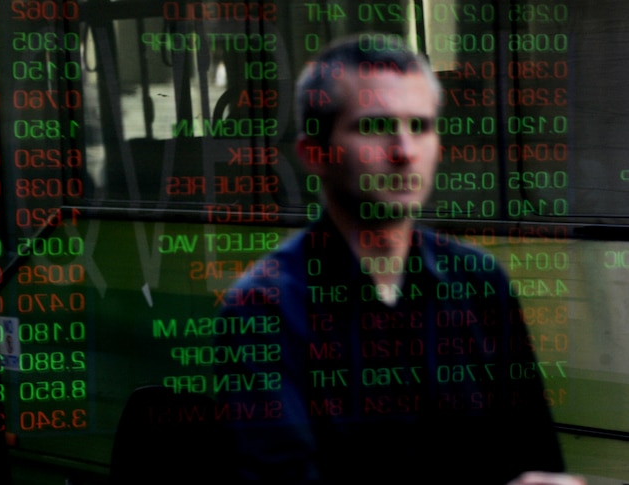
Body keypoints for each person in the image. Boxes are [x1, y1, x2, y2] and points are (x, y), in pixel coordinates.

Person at [214, 36, 585, 485]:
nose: (404, 151)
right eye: (374, 127)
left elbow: (535, 459)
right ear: (315, 155)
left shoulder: (481, 283)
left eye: (421, 126)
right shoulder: (263, 310)